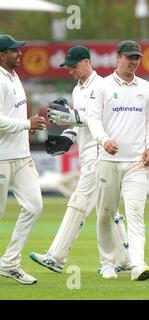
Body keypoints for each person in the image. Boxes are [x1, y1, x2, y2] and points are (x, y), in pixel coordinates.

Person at [28, 46, 130, 278]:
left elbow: (105, 120)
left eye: (74, 66)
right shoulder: (77, 91)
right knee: (106, 207)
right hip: (87, 155)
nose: (71, 71)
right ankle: (125, 258)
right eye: (68, 67)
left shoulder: (104, 86)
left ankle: (56, 257)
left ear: (86, 62)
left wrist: (75, 117)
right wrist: (68, 136)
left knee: (78, 203)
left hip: (100, 154)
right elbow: (81, 124)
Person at [88, 40, 149, 281]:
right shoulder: (103, 86)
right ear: (118, 58)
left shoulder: (146, 87)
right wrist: (104, 139)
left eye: (137, 58)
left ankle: (137, 264)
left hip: (136, 163)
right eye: (129, 58)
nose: (134, 62)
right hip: (108, 160)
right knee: (105, 212)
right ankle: (107, 262)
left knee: (136, 213)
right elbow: (93, 119)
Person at [0, 35, 47, 285]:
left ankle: (8, 263)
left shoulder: (13, 75)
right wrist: (26, 123)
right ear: (1, 55)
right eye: (13, 51)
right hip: (2, 159)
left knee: (34, 206)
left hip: (21, 156)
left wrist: (27, 126)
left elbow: (12, 114)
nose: (19, 54)